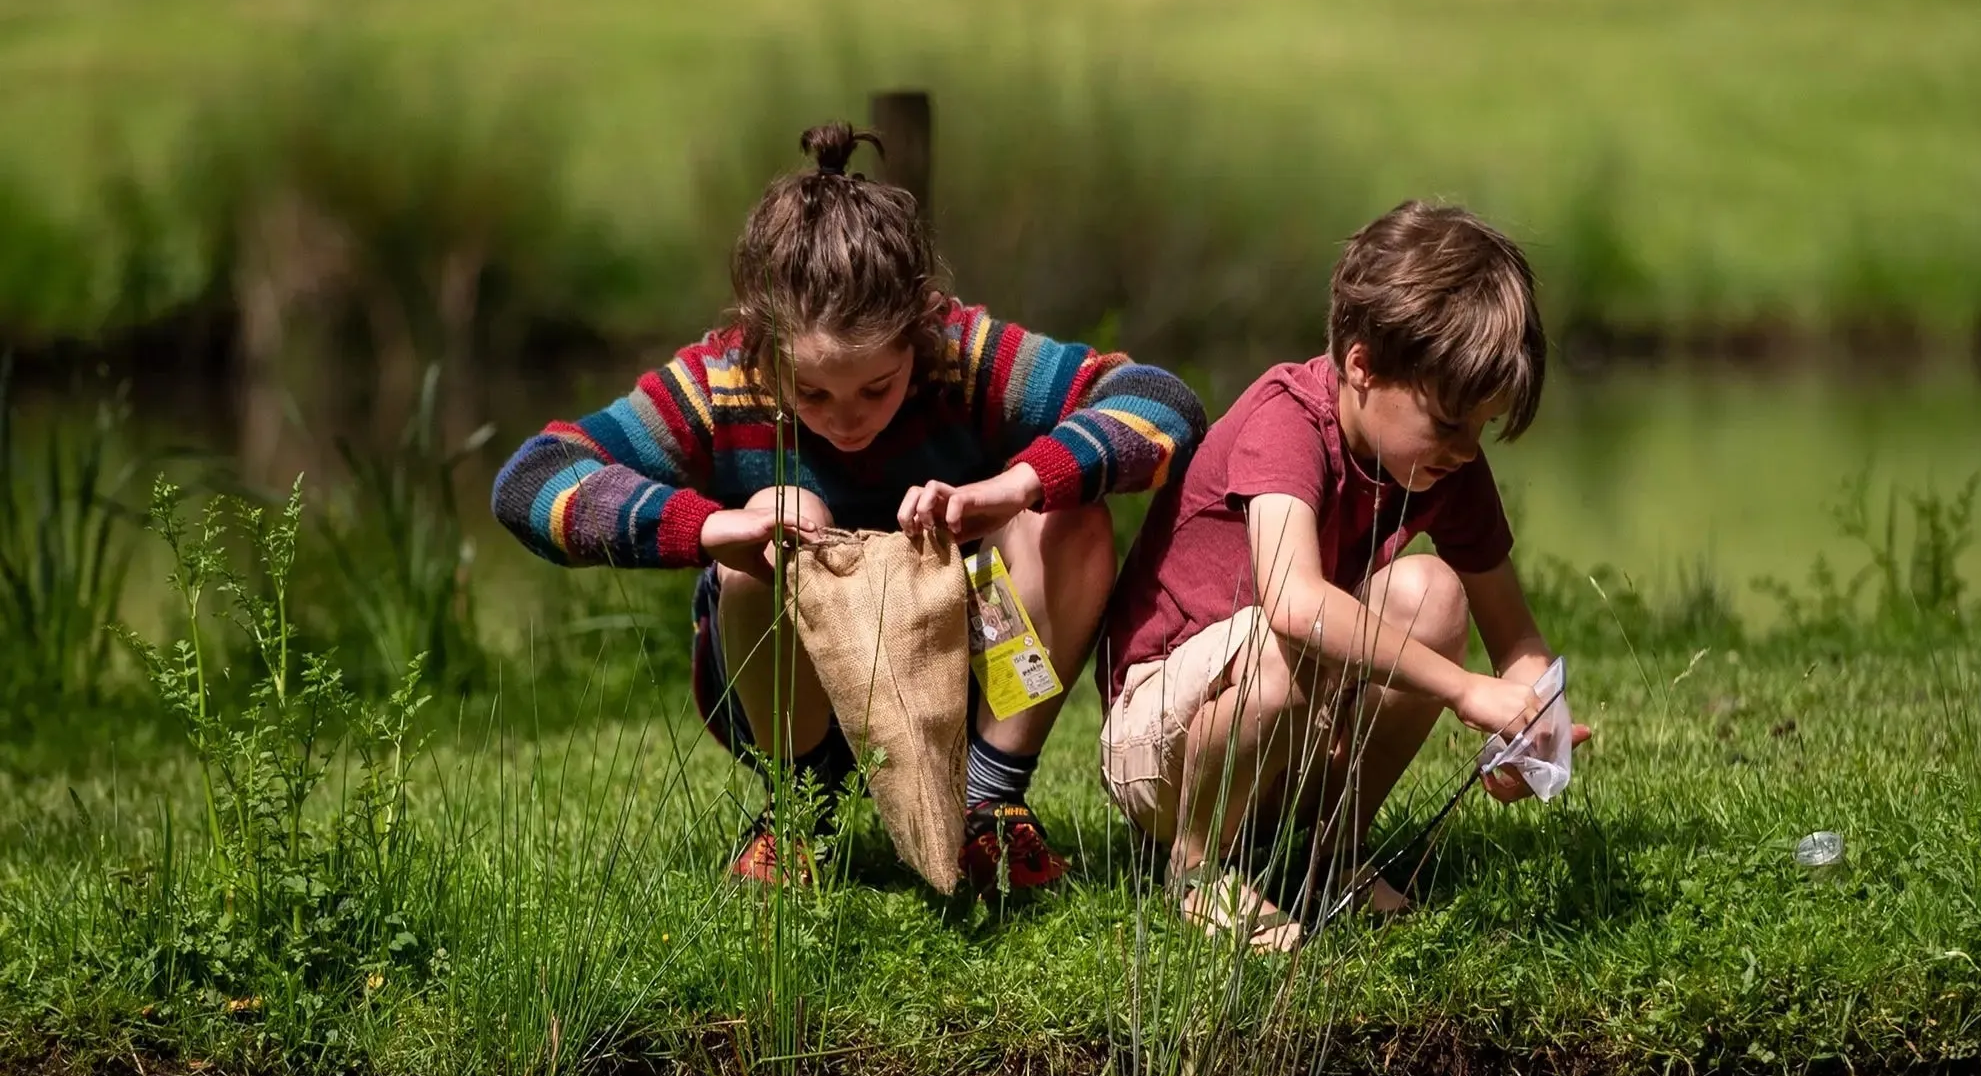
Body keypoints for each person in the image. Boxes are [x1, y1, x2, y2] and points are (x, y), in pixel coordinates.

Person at [492, 123, 1207, 895]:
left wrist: (1014, 487)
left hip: (961, 684)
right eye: (813, 394)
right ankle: (800, 815)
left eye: (877, 388)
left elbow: (1162, 403)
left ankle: (990, 804)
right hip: (785, 696)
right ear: (762, 350)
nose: (847, 417)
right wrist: (709, 528)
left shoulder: (965, 357)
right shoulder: (715, 385)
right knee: (778, 510)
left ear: (919, 333)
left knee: (1067, 511)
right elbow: (530, 479)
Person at [1098, 201, 1591, 951]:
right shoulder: (1286, 418)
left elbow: (1514, 633)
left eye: (1482, 428)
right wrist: (1464, 691)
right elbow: (1294, 605)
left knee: (1435, 594)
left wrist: (1533, 723)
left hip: (1280, 730)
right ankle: (1196, 872)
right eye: (1451, 423)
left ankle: (1330, 855)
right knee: (1290, 636)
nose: (1467, 448)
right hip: (1159, 748)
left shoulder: (1438, 461)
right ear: (1361, 366)